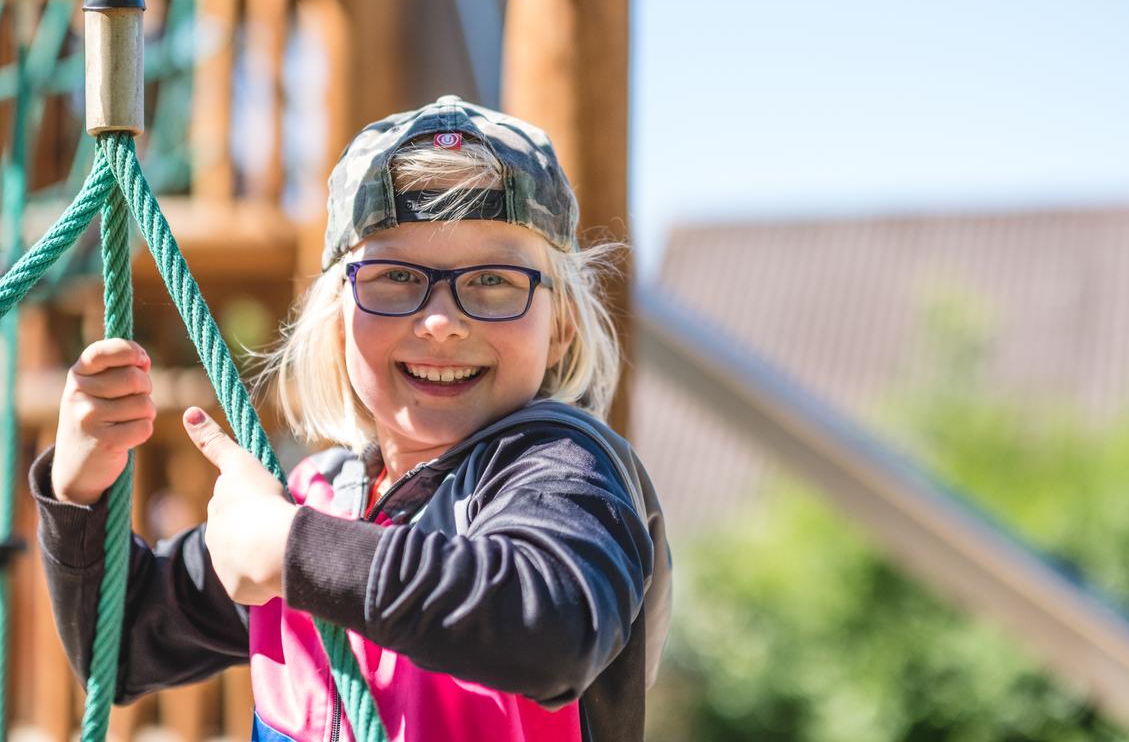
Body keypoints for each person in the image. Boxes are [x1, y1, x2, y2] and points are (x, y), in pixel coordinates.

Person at [30, 95, 671, 742]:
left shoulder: (561, 470)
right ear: (337, 322)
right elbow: (123, 648)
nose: (442, 321)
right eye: (394, 276)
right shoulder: (321, 500)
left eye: (494, 281)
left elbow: (554, 623)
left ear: (560, 326)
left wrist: (294, 552)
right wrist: (80, 490)